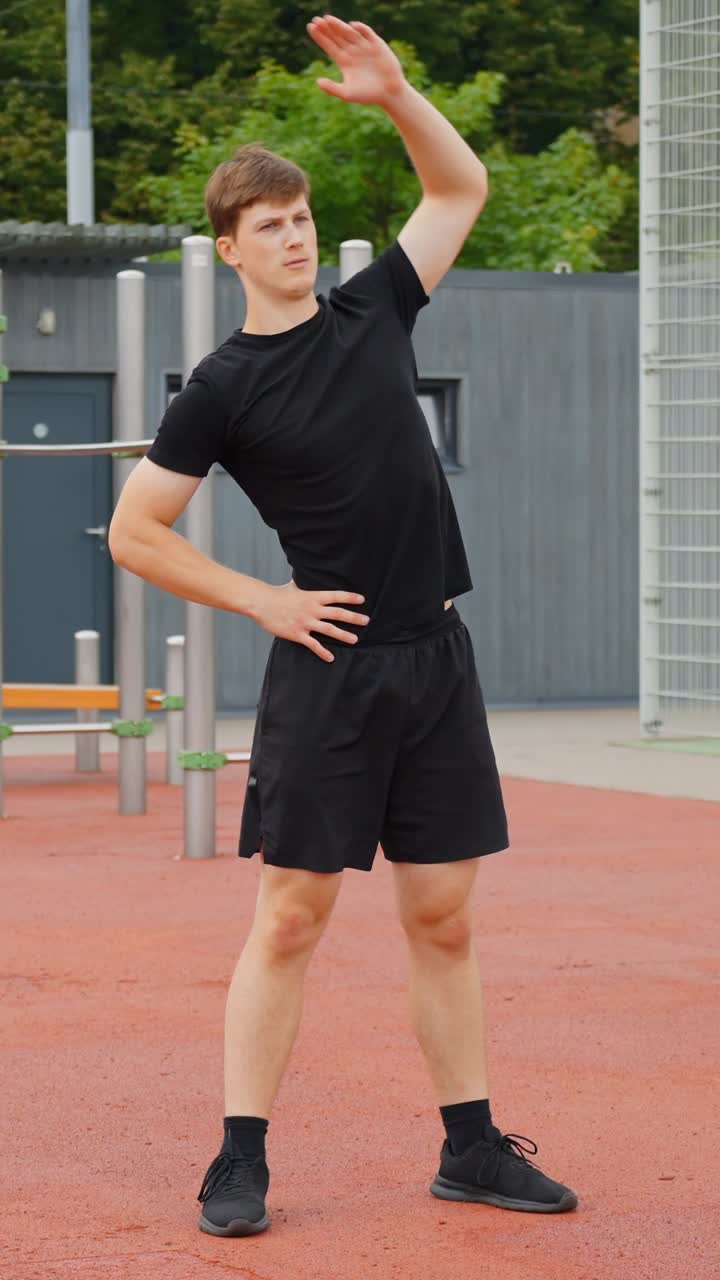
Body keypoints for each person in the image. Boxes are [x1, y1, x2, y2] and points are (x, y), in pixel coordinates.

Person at [109, 14, 578, 1238]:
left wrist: (400, 94)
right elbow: (136, 530)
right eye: (270, 224)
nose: (296, 233)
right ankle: (238, 1156)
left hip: (435, 657)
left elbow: (459, 184)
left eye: (303, 216)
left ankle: (470, 1145)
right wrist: (261, 597)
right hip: (328, 669)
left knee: (444, 914)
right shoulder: (220, 386)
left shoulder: (375, 309)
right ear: (230, 247)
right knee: (294, 915)